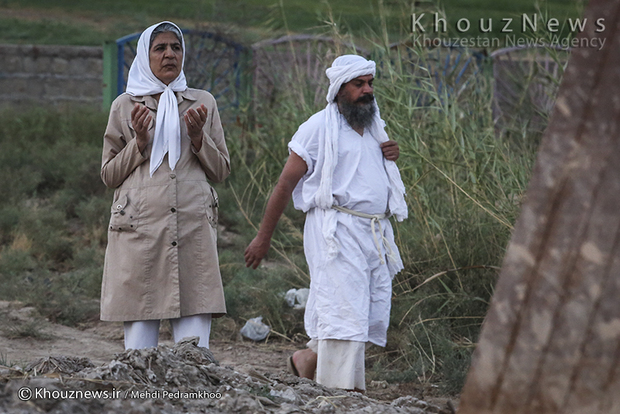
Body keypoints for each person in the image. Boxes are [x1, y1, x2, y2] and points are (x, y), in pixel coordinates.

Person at [244, 54, 407, 391]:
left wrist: (389, 154)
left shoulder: (375, 128)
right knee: (345, 312)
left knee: (360, 310)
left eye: (370, 83)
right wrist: (263, 237)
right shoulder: (317, 128)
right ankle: (341, 394)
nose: (367, 90)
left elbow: (366, 172)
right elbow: (285, 184)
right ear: (339, 89)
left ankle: (307, 360)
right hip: (336, 231)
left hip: (373, 232)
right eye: (358, 84)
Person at [100, 21, 230, 350]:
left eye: (176, 47)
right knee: (139, 353)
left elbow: (221, 171)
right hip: (140, 232)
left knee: (194, 352)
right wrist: (140, 143)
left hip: (192, 230)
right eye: (160, 48)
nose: (170, 54)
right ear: (145, 57)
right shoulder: (125, 105)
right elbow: (109, 175)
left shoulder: (202, 102)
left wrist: (198, 138)